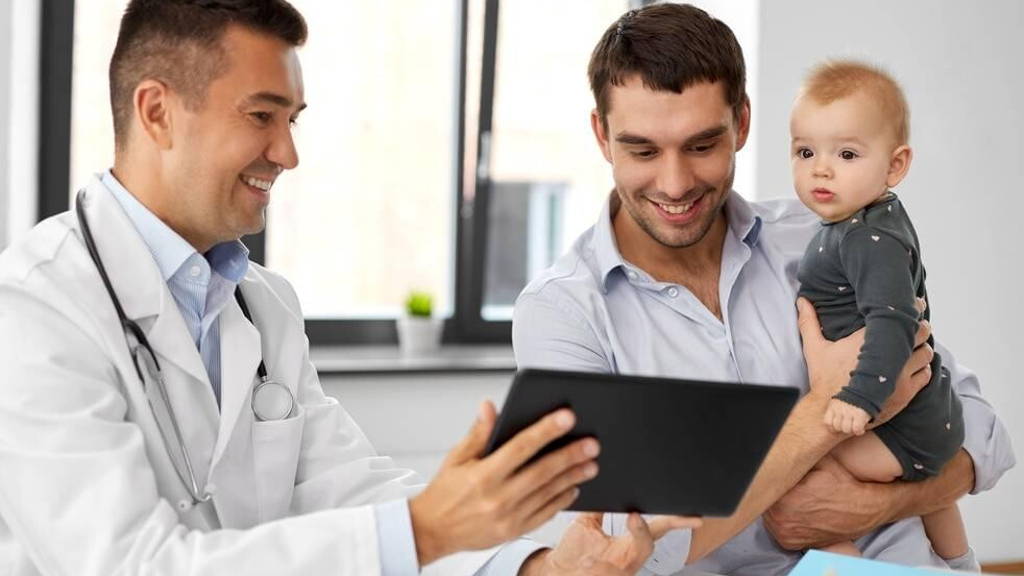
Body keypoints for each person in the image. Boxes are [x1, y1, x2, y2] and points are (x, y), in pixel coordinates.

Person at [0, 1, 700, 575]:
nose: (288, 153)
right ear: (156, 112)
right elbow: (128, 565)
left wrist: (537, 569)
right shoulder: (34, 308)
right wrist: (424, 531)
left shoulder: (261, 305)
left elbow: (352, 490)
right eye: (261, 116)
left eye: (292, 120)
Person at [512, 4, 1014, 575]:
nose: (674, 184)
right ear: (602, 135)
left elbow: (982, 433)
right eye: (643, 150)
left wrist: (875, 504)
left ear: (743, 124)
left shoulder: (824, 240)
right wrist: (825, 410)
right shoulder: (562, 316)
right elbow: (633, 552)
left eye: (702, 146)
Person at [791, 60, 968, 564]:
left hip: (899, 422)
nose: (820, 168)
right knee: (935, 490)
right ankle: (960, 563)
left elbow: (895, 322)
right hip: (930, 416)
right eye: (805, 151)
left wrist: (859, 398)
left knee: (801, 481)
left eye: (846, 153)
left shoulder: (870, 238)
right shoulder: (864, 220)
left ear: (895, 165)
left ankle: (844, 565)